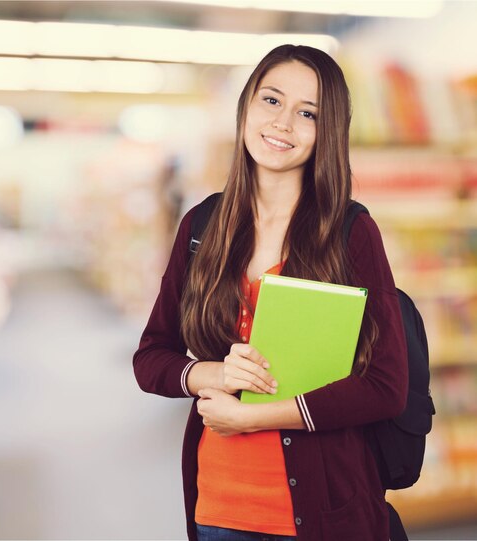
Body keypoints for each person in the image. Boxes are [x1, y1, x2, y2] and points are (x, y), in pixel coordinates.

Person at [133, 44, 408, 541]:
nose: (283, 124)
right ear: (246, 108)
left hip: (325, 510)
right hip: (218, 510)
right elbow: (151, 356)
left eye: (308, 113)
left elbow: (386, 385)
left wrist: (250, 415)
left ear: (328, 133)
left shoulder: (349, 232)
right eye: (271, 101)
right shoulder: (202, 225)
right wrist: (208, 373)